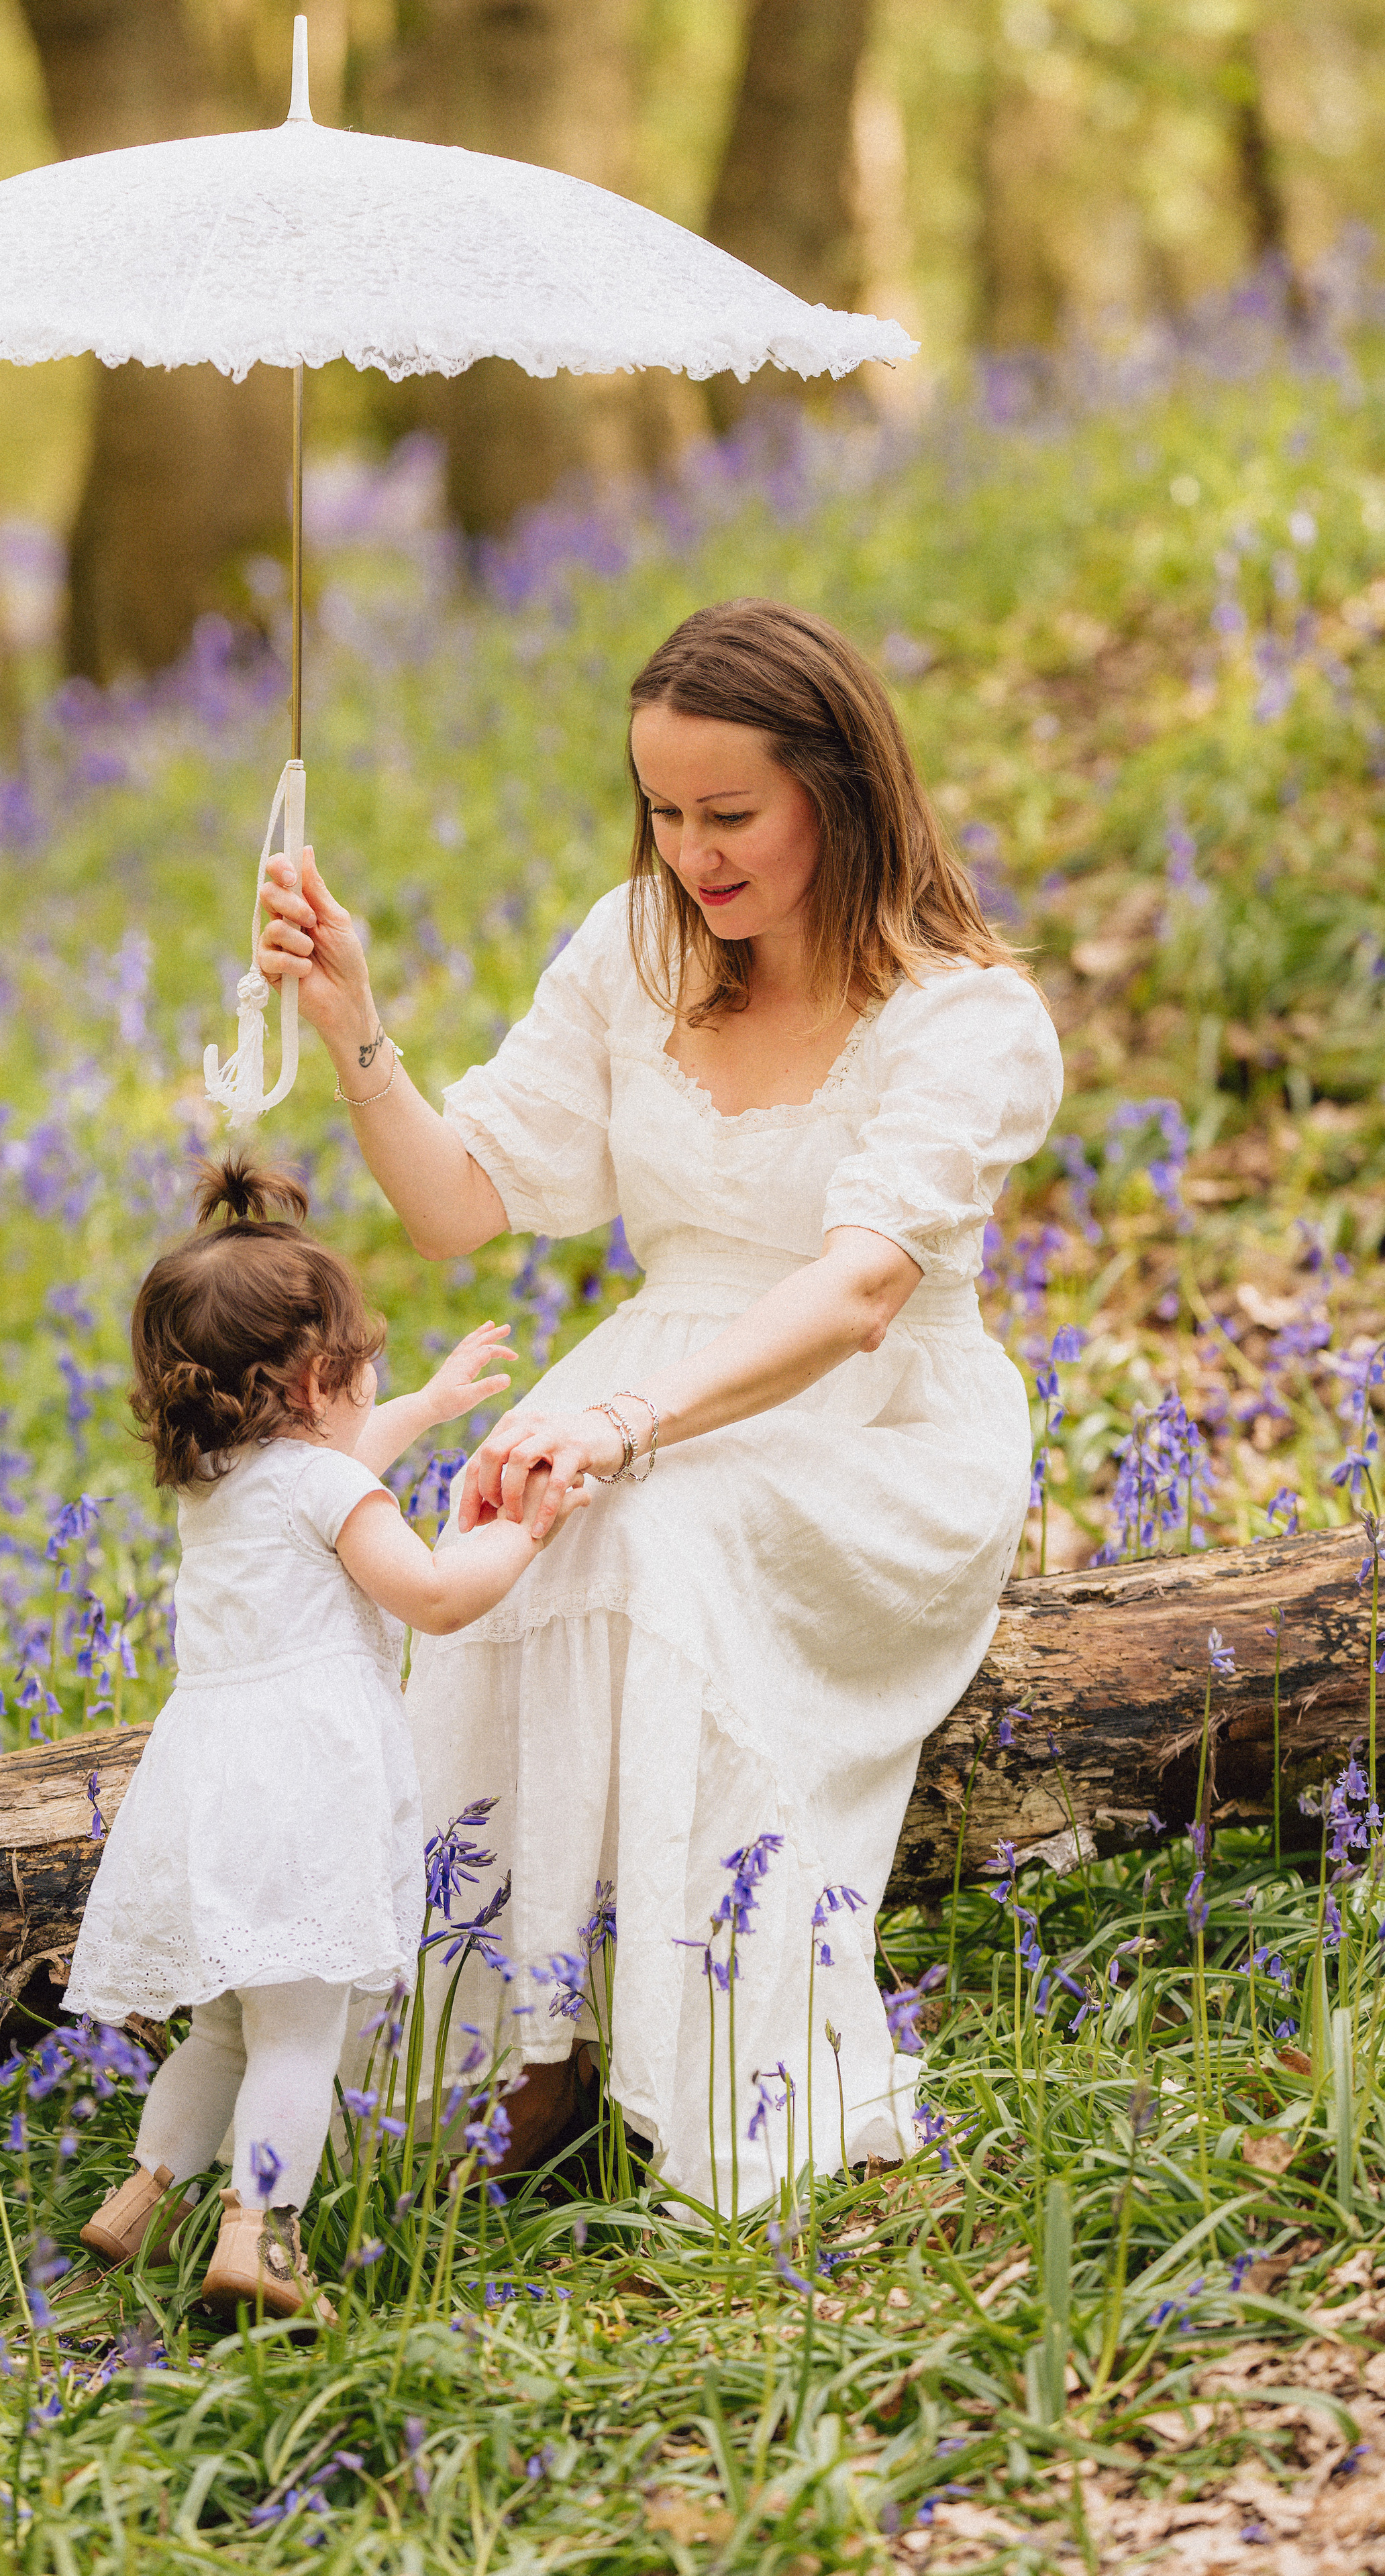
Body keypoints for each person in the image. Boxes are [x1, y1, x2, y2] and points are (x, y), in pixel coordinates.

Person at [260, 596, 1064, 2212]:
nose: (689, 851)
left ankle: (686, 2059)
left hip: (876, 1425)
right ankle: (527, 2036)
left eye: (728, 814)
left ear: (836, 791)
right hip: (659, 1366)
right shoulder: (636, 952)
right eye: (661, 810)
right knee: (506, 1536)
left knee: (658, 1529)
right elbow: (455, 1206)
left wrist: (628, 1426)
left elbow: (852, 1298)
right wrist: (354, 1026)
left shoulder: (965, 1018)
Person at [65, 1156, 585, 2318]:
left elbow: (339, 1455)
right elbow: (440, 1595)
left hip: (205, 1788)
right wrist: (532, 1532)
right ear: (308, 1381)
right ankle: (259, 2237)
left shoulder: (220, 1482)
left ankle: (145, 2193)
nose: (374, 1387)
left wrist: (433, 1408)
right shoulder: (332, 1497)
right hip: (302, 1792)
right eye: (364, 1372)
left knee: (225, 2028)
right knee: (303, 2032)